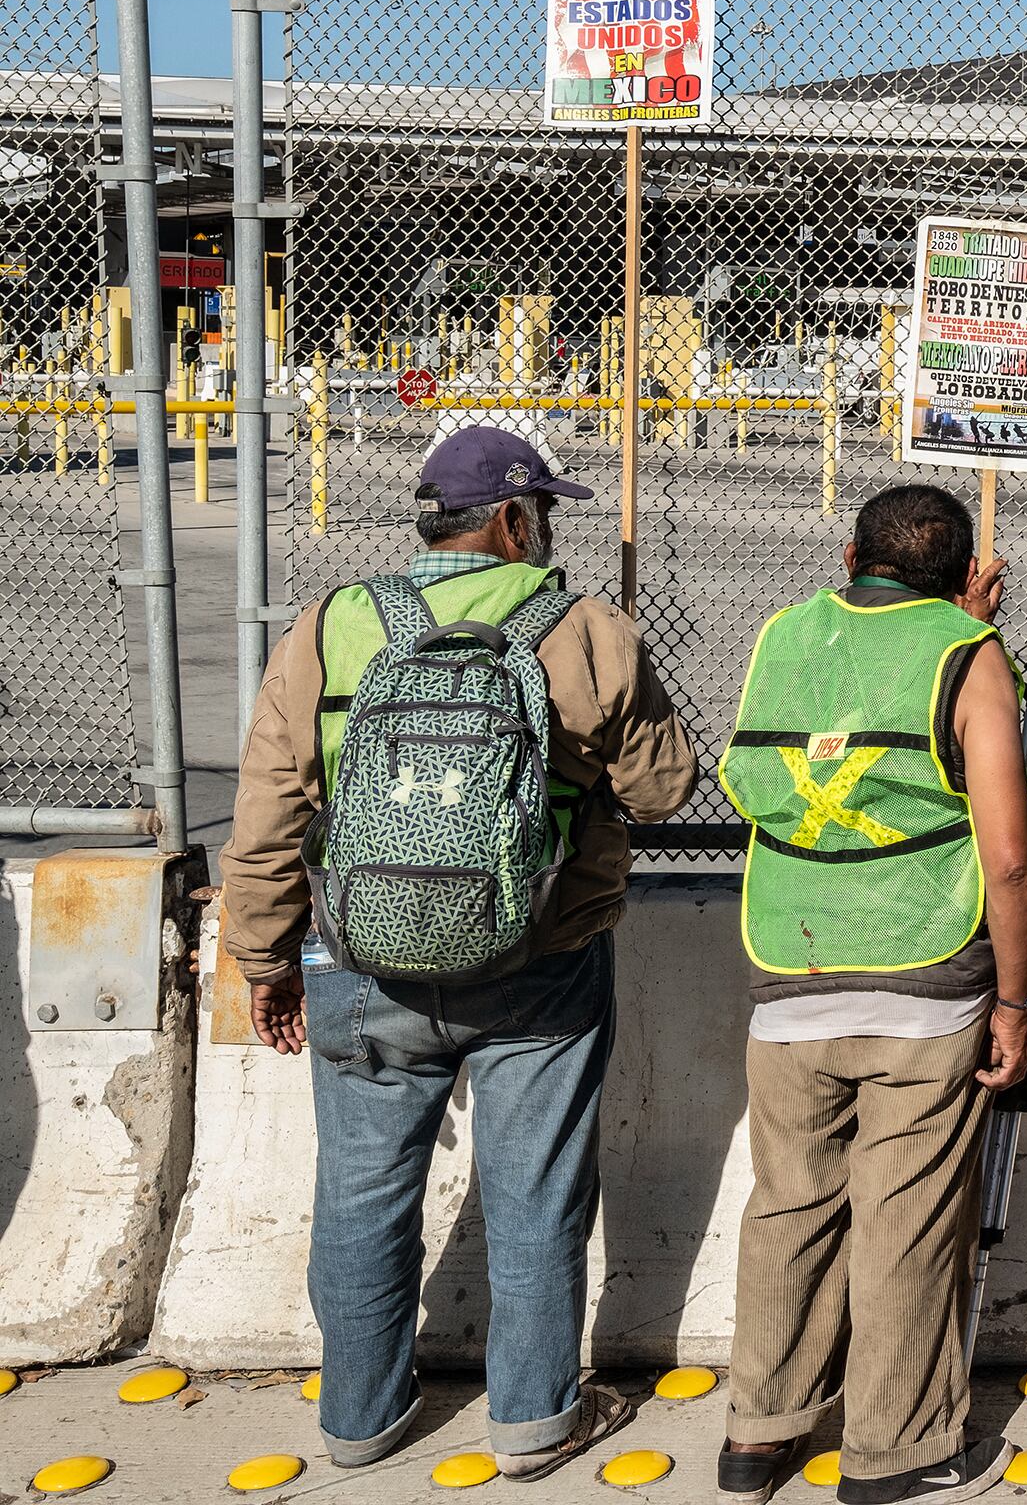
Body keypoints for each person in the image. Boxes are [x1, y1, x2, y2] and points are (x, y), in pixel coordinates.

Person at [223, 427, 695, 1478]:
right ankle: (532, 1422)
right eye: (547, 515)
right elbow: (663, 789)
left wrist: (263, 958)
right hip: (541, 962)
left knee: (359, 1191)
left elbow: (265, 815)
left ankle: (358, 1417)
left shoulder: (334, 624)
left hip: (359, 961)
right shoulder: (582, 626)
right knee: (537, 1191)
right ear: (515, 520)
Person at [709, 485, 1027, 1505]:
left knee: (789, 1209)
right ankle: (894, 1448)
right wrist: (1017, 1000)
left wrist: (958, 630)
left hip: (790, 963)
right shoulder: (969, 656)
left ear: (850, 551)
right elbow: (1010, 855)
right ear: (960, 575)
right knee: (904, 1221)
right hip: (920, 972)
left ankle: (757, 1432)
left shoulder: (785, 632)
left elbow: (834, 726)